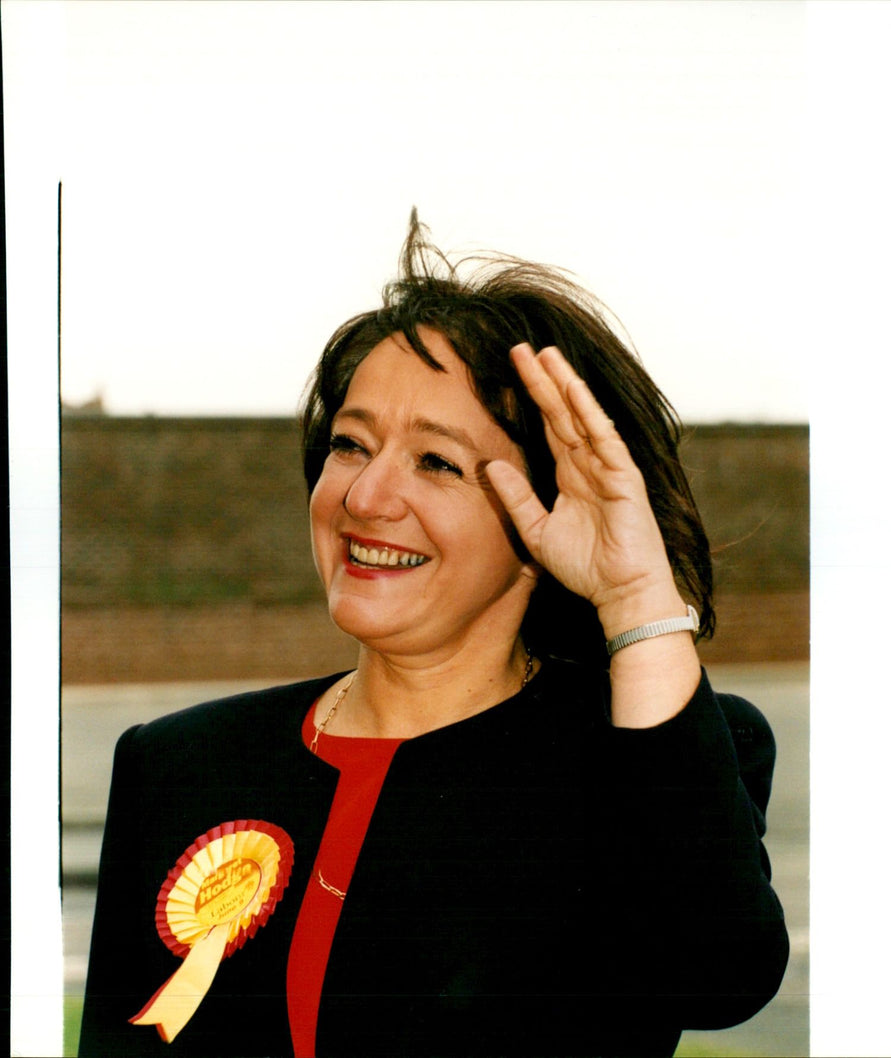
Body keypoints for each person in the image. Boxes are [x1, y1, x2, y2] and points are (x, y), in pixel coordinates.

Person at [79, 215, 789, 1057]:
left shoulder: (649, 757)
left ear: (550, 515)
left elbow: (716, 974)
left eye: (437, 462)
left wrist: (636, 598)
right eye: (351, 445)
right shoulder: (176, 763)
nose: (365, 496)